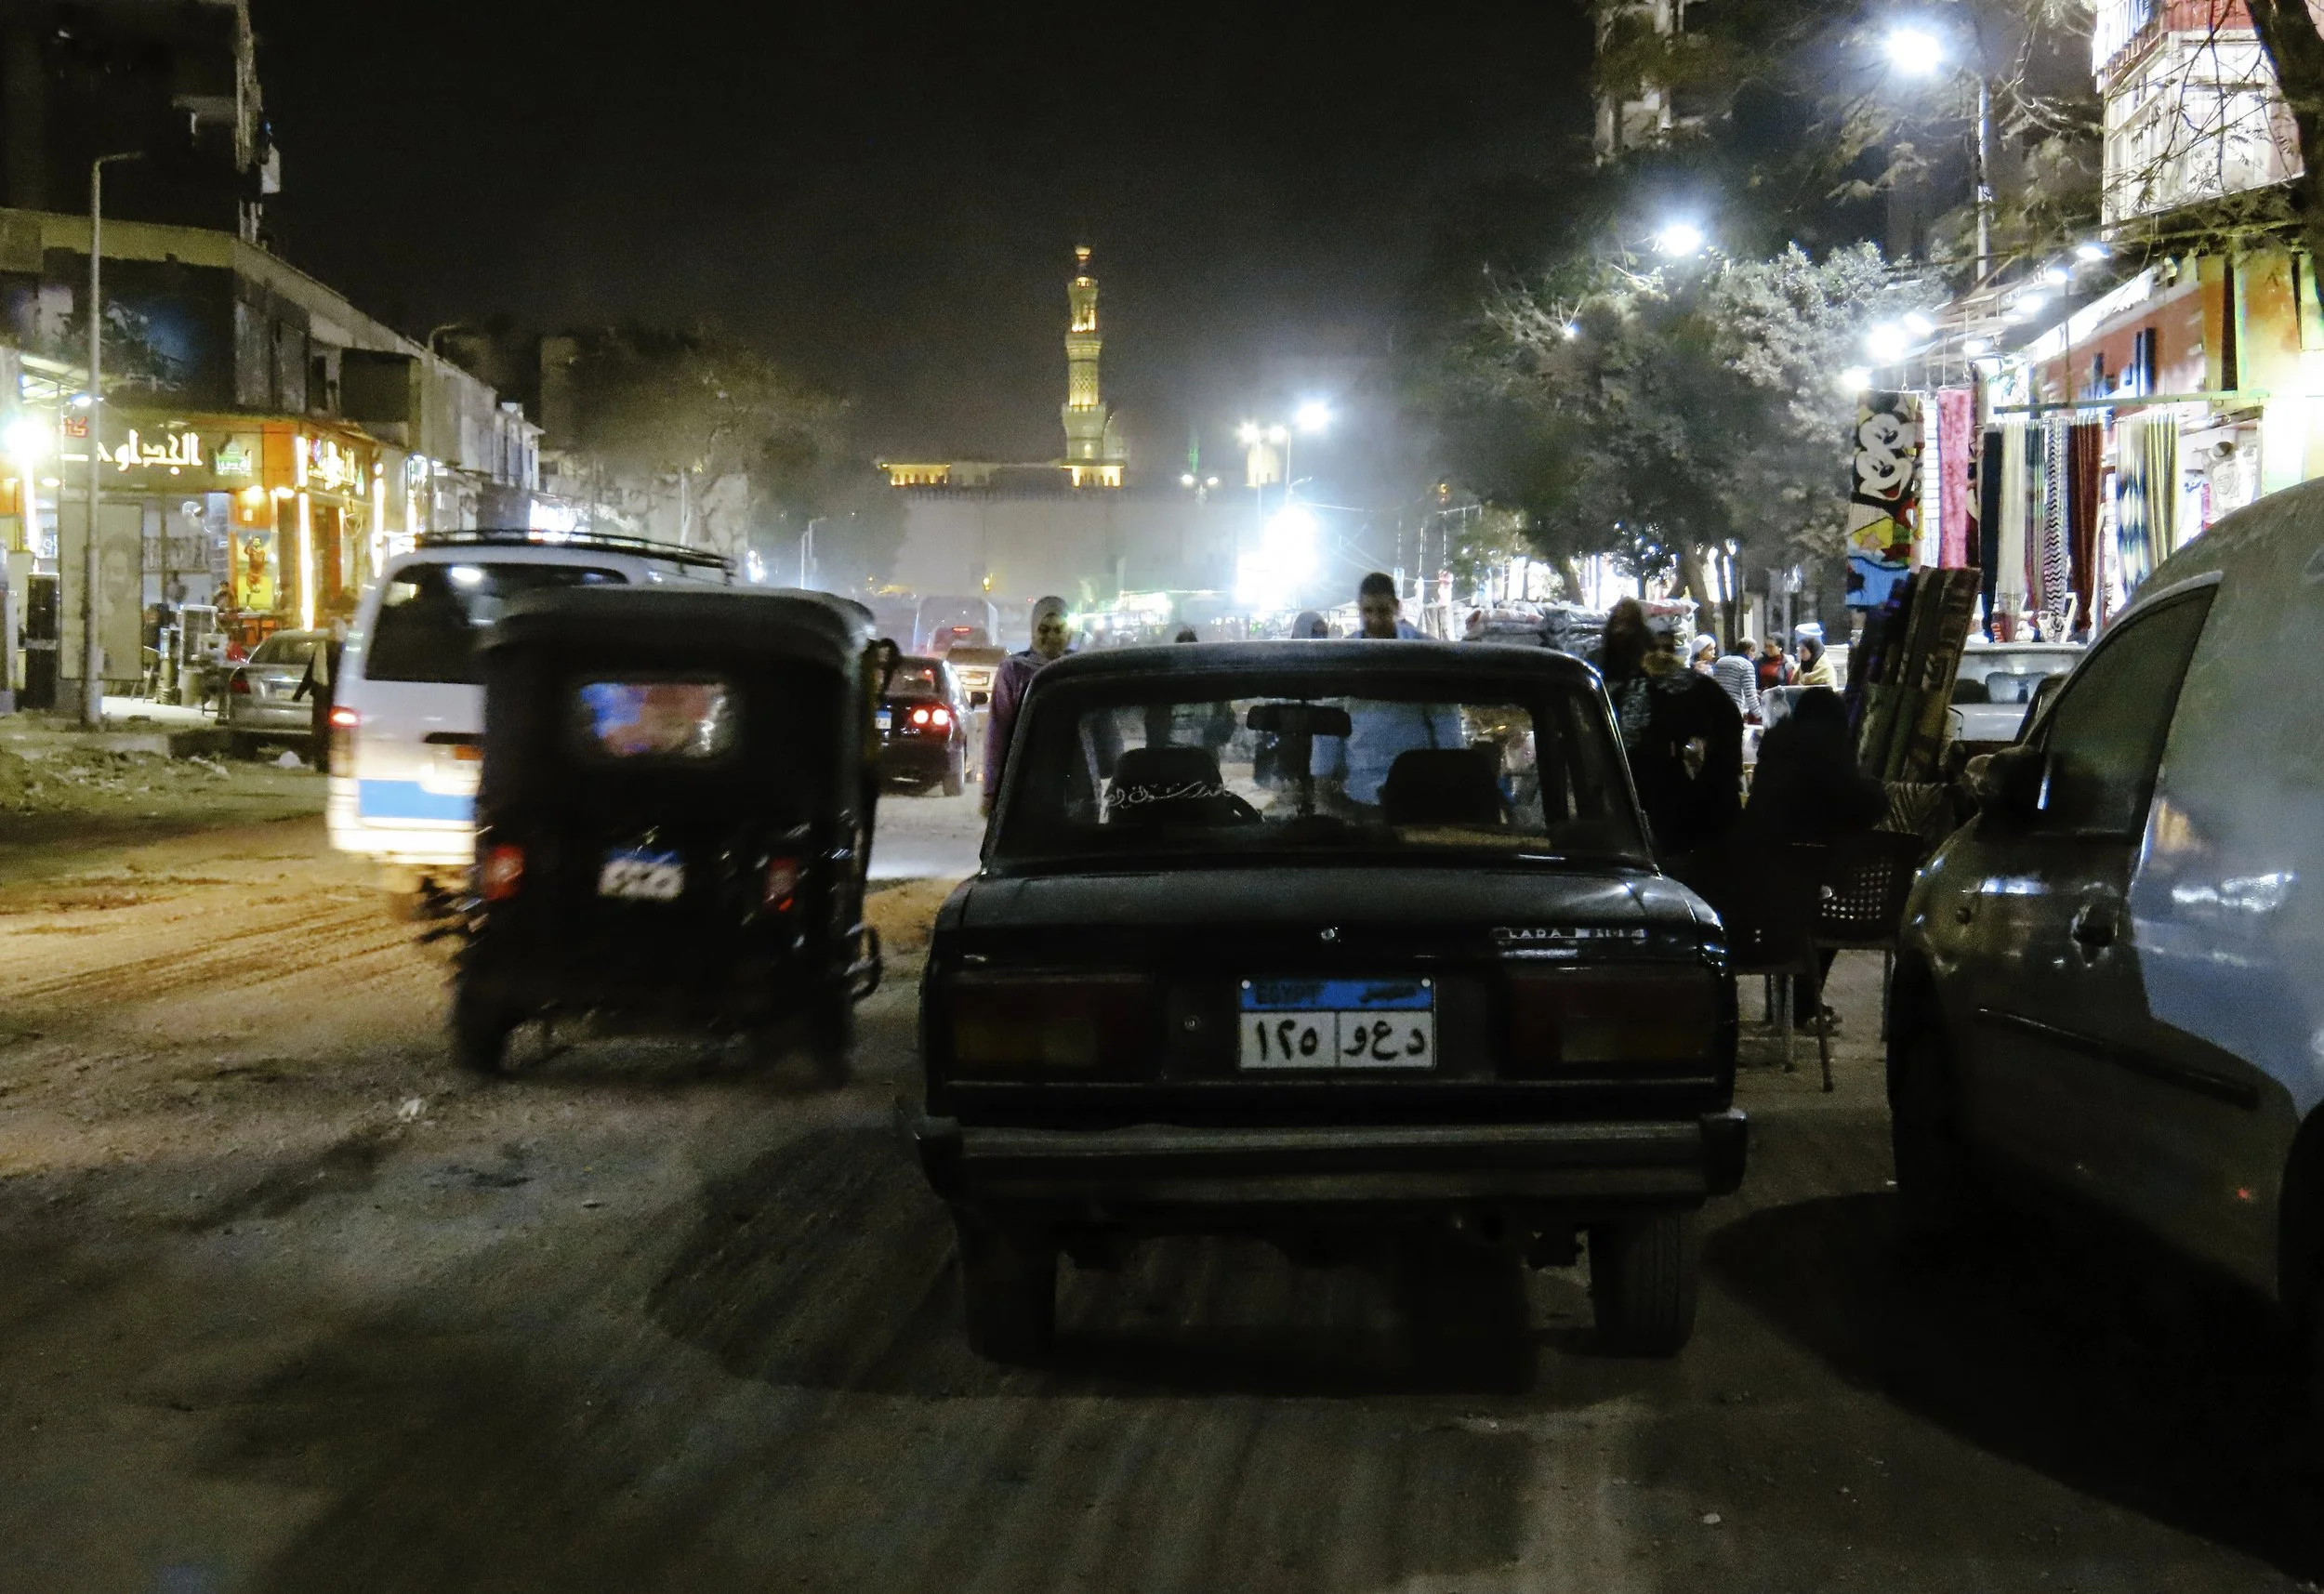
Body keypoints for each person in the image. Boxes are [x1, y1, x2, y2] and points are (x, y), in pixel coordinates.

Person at [1736, 686, 1884, 1028]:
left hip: (1758, 873)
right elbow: (1855, 802)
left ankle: (1788, 1003)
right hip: (1809, 874)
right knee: (1828, 913)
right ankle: (1803, 1002)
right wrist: (1879, 794)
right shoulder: (1830, 749)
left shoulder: (1776, 745)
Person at [1596, 598, 1743, 860]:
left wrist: (1710, 782)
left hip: (1665, 800)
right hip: (1619, 800)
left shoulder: (1671, 682)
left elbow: (1726, 720)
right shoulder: (1599, 684)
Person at [1313, 573, 1460, 809]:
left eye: (1382, 611)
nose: (1374, 619)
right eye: (1368, 611)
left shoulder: (1423, 654)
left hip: (1417, 794)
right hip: (1359, 794)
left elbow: (1446, 723)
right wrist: (1323, 791)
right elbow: (1328, 727)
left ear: (1396, 607)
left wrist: (1453, 781)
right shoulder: (1344, 657)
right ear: (1360, 609)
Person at [983, 596, 1071, 813]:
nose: (1051, 636)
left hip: (1074, 784)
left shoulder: (1076, 669)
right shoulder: (1014, 671)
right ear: (1033, 630)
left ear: (1069, 633)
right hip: (1026, 781)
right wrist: (992, 790)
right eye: (1044, 629)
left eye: (1058, 630)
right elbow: (998, 731)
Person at [1710, 640, 1761, 721]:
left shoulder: (1720, 661)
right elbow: (1750, 695)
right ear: (1750, 649)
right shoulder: (1746, 665)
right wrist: (1760, 715)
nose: (1754, 657)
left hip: (1715, 708)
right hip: (1733, 710)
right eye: (1754, 653)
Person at [1795, 623, 1838, 688]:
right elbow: (1794, 681)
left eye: (1803, 651)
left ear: (1812, 650)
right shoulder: (1803, 665)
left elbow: (1806, 680)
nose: (1800, 653)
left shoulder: (1823, 665)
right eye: (1799, 651)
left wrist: (1804, 679)